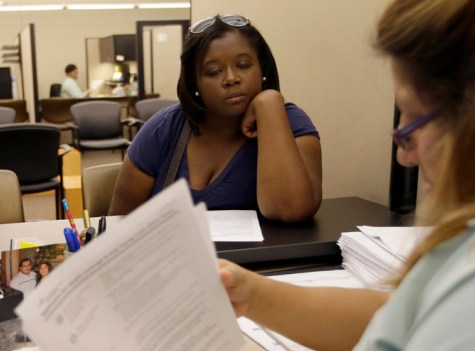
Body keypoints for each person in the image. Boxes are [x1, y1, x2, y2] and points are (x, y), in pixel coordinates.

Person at [36, 0, 475, 351]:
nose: (402, 153)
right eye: (213, 71)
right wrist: (251, 293)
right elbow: (398, 316)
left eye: (413, 123)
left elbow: (295, 205)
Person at [108, 15, 322, 222]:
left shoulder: (290, 122)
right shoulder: (164, 127)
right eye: (213, 72)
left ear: (262, 68)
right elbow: (118, 225)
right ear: (195, 84)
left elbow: (292, 210)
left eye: (243, 65)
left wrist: (269, 103)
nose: (231, 78)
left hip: (258, 258)